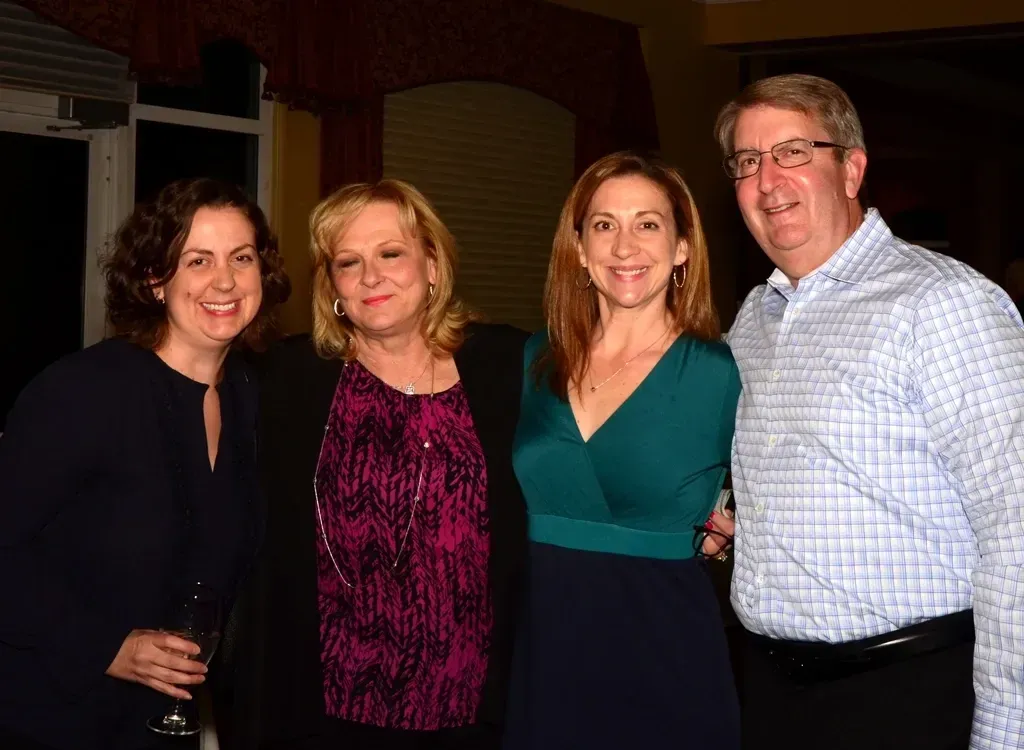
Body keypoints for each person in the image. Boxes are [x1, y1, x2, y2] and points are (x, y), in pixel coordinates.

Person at [713, 73, 1024, 749]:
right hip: (770, 695)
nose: (767, 180)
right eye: (747, 161)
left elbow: (1016, 527)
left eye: (794, 152)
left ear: (851, 169)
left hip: (910, 696)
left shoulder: (942, 306)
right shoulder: (754, 321)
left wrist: (1005, 730)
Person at [214, 179, 529, 750]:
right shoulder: (284, 378)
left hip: (476, 704)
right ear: (332, 284)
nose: (370, 277)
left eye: (390, 254)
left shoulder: (512, 365)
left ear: (433, 264)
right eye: (348, 262)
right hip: (326, 704)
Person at [0, 177, 290, 750]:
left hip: (163, 722)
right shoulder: (84, 390)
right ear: (156, 279)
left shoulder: (250, 396)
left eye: (241, 258)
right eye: (198, 260)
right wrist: (106, 646)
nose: (224, 281)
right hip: (50, 716)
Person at [503, 151, 742, 750]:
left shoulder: (722, 373)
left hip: (666, 653)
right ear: (580, 248)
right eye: (604, 224)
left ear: (682, 248)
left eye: (648, 224)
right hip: (544, 652)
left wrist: (736, 523)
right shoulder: (535, 359)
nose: (624, 245)